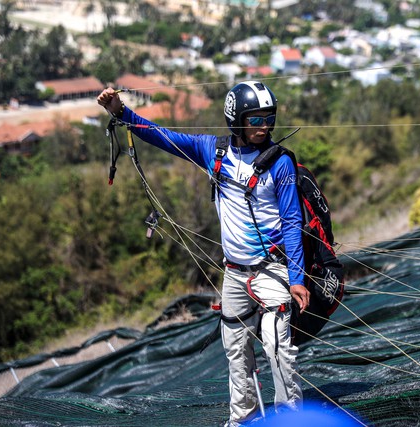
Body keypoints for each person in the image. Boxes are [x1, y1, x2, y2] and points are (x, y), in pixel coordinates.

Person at [97, 81, 310, 427]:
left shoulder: (281, 163)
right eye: (256, 120)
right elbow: (162, 136)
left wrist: (297, 279)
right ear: (236, 120)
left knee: (276, 345)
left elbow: (291, 221)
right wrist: (121, 113)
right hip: (235, 273)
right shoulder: (214, 152)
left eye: (269, 119)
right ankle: (242, 419)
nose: (264, 128)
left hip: (272, 269)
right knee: (236, 348)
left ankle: (290, 419)